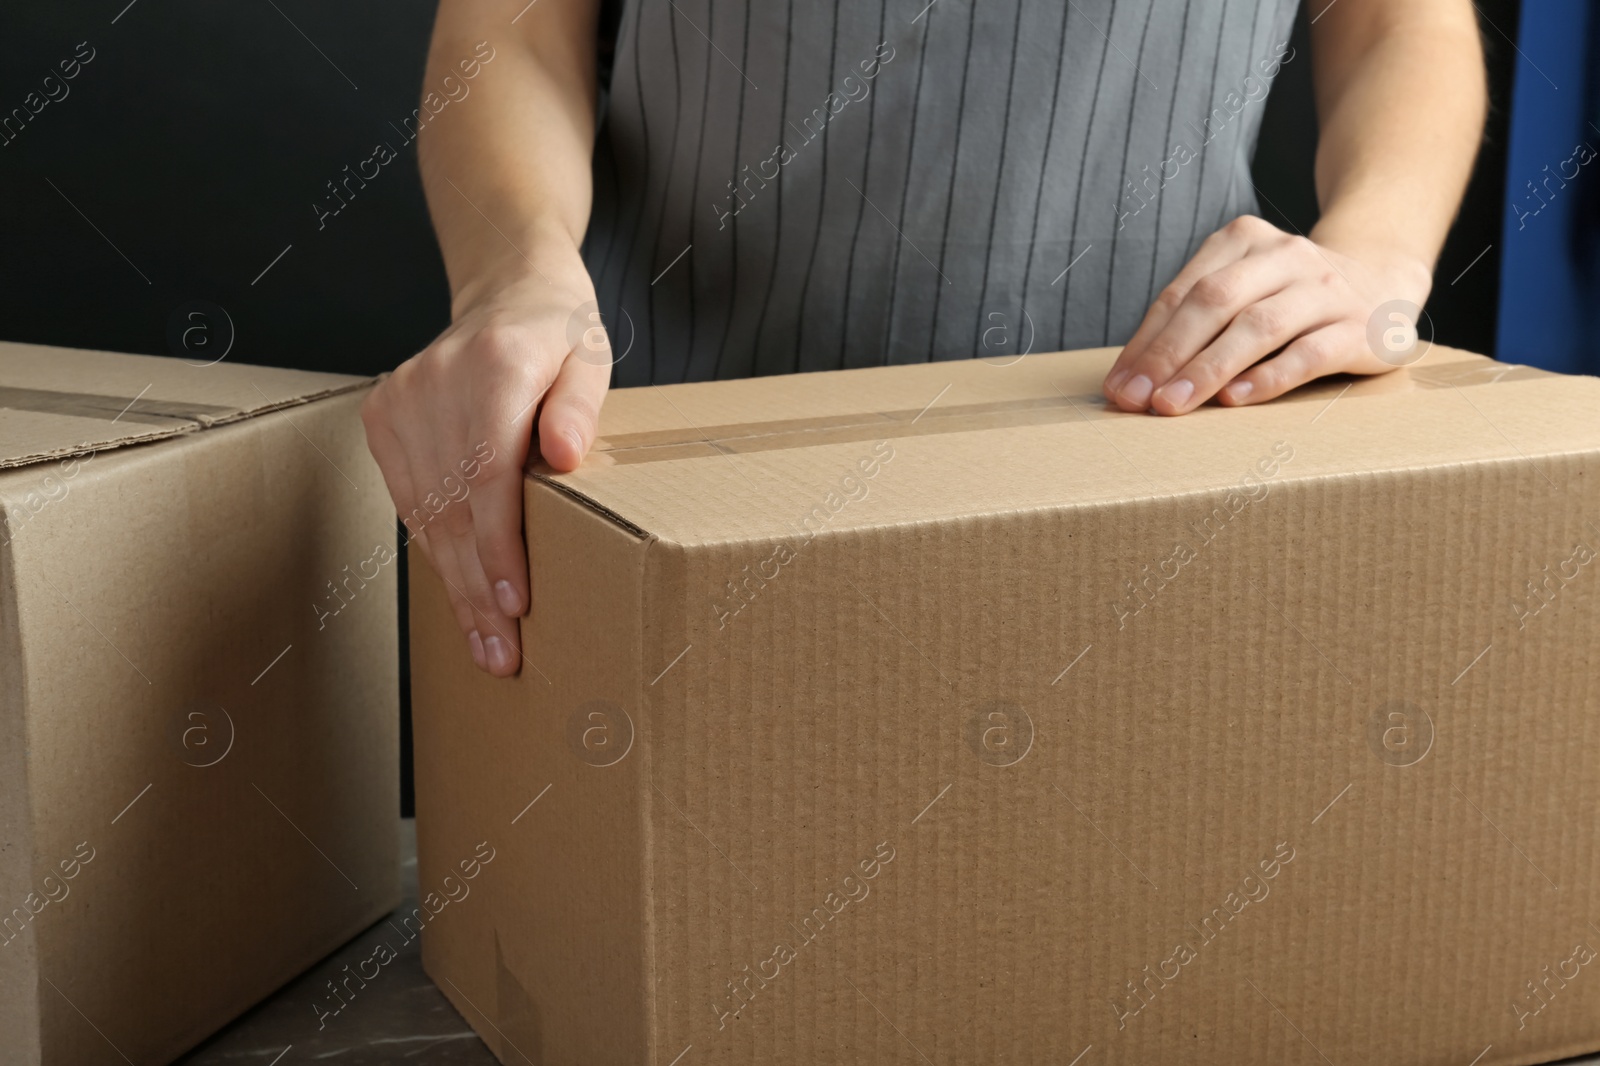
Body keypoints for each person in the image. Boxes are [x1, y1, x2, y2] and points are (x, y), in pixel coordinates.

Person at [362, 0, 1487, 676]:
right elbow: (512, 28)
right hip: (652, 478)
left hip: (1160, 468)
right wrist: (514, 274)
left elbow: (1403, 20)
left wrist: (1380, 254)